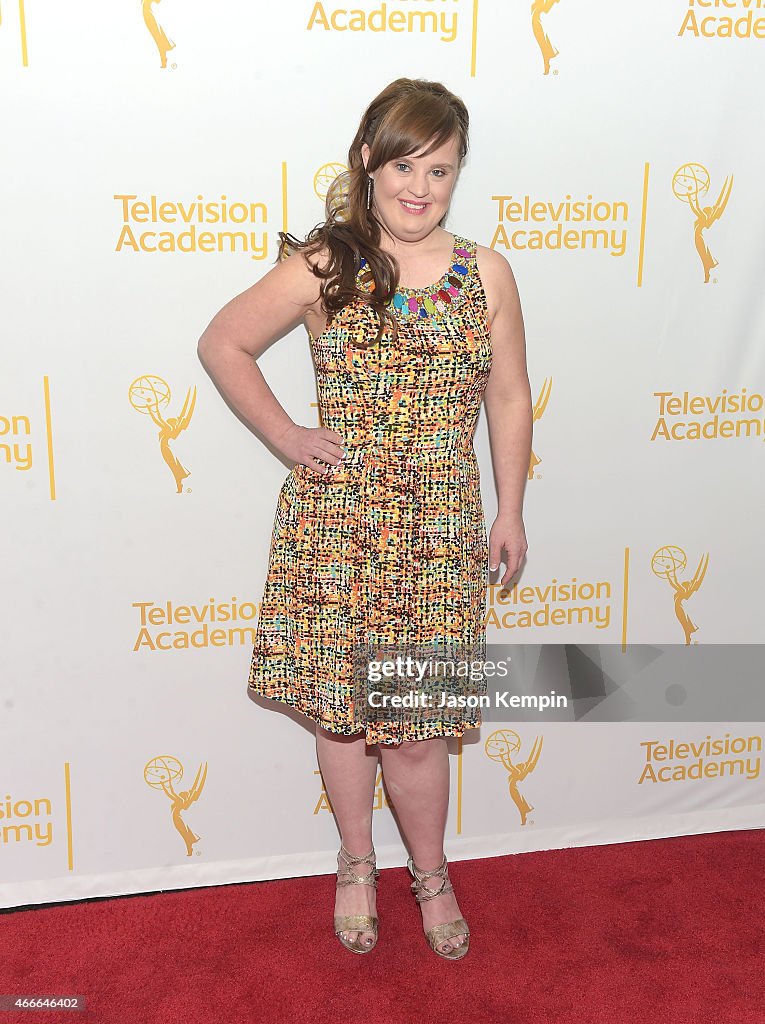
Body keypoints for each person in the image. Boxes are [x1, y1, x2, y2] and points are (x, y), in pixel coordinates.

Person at [197, 78, 532, 960]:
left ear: (459, 176)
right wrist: (288, 436)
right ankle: (355, 863)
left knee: (418, 735)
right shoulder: (323, 265)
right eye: (405, 166)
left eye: (441, 170)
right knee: (343, 717)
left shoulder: (486, 272)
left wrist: (511, 508)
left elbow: (507, 394)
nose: (420, 187)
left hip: (437, 534)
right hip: (337, 529)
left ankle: (431, 874)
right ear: (368, 165)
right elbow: (221, 342)